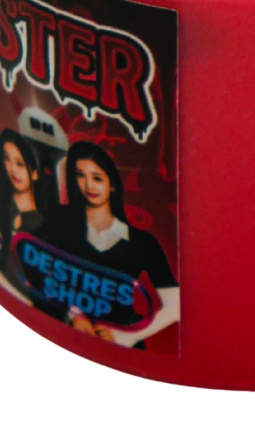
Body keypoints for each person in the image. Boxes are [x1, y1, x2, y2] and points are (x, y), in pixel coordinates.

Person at [38, 141, 179, 348]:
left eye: (97, 178)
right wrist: (73, 314)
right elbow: (43, 276)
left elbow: (175, 305)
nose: (89, 186)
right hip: (72, 341)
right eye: (80, 175)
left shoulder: (142, 242)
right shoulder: (62, 229)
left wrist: (126, 336)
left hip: (125, 349)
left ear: (112, 184)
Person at [0, 130, 49, 300]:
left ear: (35, 172)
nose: (13, 169)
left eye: (20, 164)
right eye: (7, 159)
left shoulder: (44, 228)